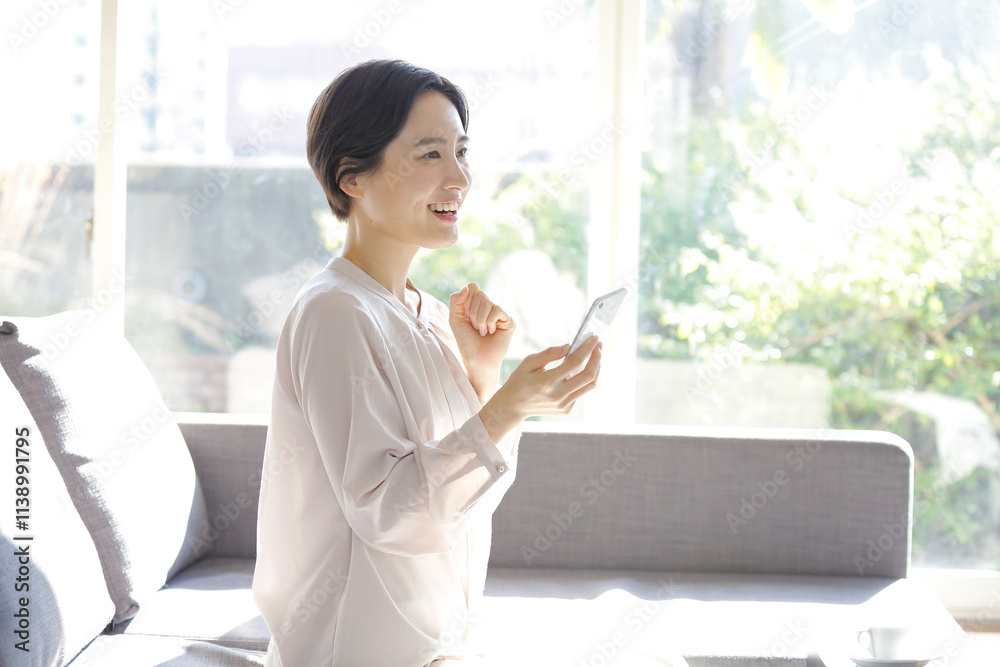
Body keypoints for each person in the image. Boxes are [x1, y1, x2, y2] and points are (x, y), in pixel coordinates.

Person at [251, 59, 603, 667]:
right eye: (430, 154)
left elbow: (458, 501)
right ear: (353, 177)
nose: (459, 177)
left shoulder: (430, 313)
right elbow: (391, 512)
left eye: (461, 152)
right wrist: (506, 409)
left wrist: (484, 380)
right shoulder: (334, 312)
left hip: (437, 642)